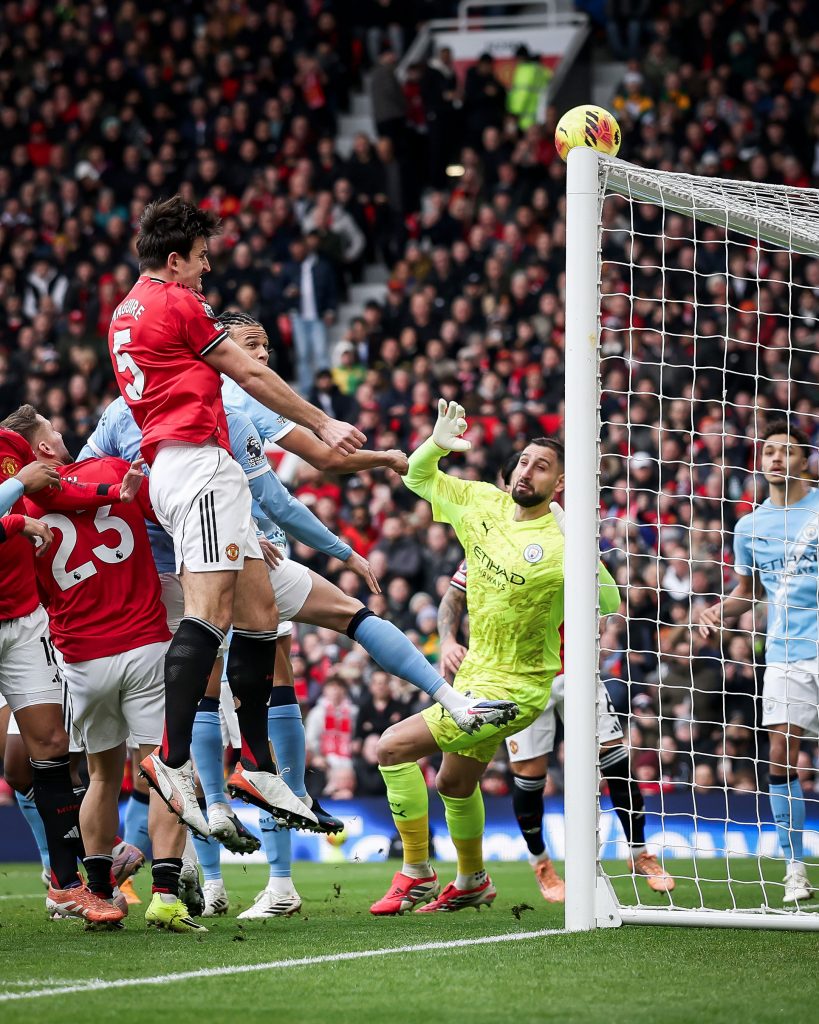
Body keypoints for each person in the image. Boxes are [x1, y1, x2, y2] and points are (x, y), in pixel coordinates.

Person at [108, 195, 364, 880]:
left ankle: (252, 766)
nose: (207, 268)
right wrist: (323, 421)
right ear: (174, 259)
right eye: (199, 258)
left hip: (180, 466)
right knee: (210, 616)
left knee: (259, 615)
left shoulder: (125, 311)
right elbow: (248, 373)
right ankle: (170, 756)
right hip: (197, 465)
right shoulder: (176, 303)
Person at [370, 401, 620, 914]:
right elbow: (418, 479)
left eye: (542, 466)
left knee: (391, 747)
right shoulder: (480, 502)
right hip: (473, 676)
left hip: (519, 689)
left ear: (561, 485)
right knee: (453, 782)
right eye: (524, 461)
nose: (527, 471)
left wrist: (577, 541)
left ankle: (415, 870)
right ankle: (472, 880)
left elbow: (611, 601)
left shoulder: (563, 540)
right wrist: (435, 445)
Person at [9, 406, 199, 932]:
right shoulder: (113, 470)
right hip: (144, 643)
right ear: (41, 448)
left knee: (99, 776)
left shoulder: (21, 507)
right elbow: (169, 518)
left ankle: (98, 895)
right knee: (163, 767)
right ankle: (165, 893)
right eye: (53, 430)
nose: (63, 433)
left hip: (81, 658)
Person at [0, 419, 145, 925]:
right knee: (19, 765)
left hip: (22, 621)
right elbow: (26, 496)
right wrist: (19, 514)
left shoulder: (20, 453)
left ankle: (66, 883)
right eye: (54, 430)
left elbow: (69, 489)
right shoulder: (23, 468)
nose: (61, 435)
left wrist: (113, 488)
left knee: (49, 746)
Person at [697, 421, 819, 905]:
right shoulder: (750, 527)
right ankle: (795, 865)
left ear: (804, 461)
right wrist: (717, 608)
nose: (774, 459)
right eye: (768, 451)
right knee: (780, 752)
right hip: (787, 652)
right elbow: (749, 594)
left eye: (786, 452)